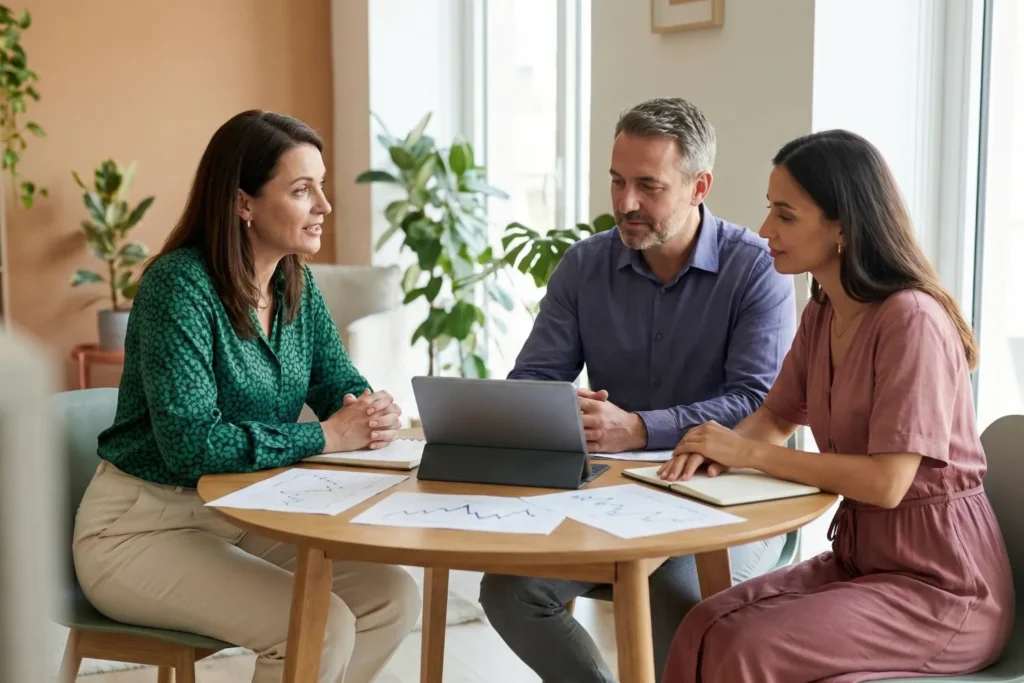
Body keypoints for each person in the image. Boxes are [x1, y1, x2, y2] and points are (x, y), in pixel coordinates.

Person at [72, 111, 421, 683]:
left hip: (241, 513)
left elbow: (336, 383)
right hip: (141, 530)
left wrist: (369, 408)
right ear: (243, 203)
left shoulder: (294, 284)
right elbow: (190, 445)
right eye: (302, 190)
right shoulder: (178, 287)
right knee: (319, 626)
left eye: (321, 186)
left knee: (392, 598)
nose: (324, 206)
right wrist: (325, 436)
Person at [660, 129, 1015, 683]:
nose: (766, 230)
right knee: (704, 623)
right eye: (770, 209)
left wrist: (747, 454)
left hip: (942, 588)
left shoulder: (912, 321)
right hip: (861, 561)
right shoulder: (823, 311)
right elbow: (776, 417)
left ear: (843, 226)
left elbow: (887, 483)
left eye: (786, 215)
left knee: (748, 646)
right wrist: (707, 459)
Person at [479, 97, 797, 683]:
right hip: (613, 494)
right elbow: (532, 381)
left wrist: (641, 428)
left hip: (730, 490)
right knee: (509, 591)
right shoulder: (583, 266)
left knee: (676, 599)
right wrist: (559, 408)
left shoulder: (755, 269)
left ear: (699, 186)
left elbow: (758, 400)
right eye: (617, 181)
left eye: (648, 186)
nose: (626, 203)